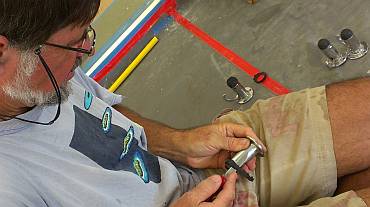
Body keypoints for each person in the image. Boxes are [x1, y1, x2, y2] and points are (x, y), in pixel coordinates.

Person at [0, 1, 368, 206]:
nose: (88, 50)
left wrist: (182, 144)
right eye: (75, 43)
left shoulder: (42, 69)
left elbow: (108, 116)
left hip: (200, 179)